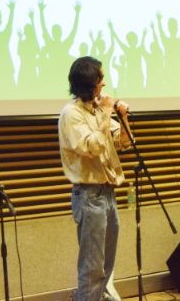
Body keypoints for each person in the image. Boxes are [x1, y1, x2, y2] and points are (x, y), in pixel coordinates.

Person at [58, 56, 133, 301]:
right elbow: (93, 146)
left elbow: (124, 143)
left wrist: (123, 116)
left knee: (106, 266)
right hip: (89, 195)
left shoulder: (97, 111)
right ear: (90, 84)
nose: (104, 83)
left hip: (108, 192)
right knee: (92, 268)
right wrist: (107, 112)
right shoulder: (71, 114)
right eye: (101, 78)